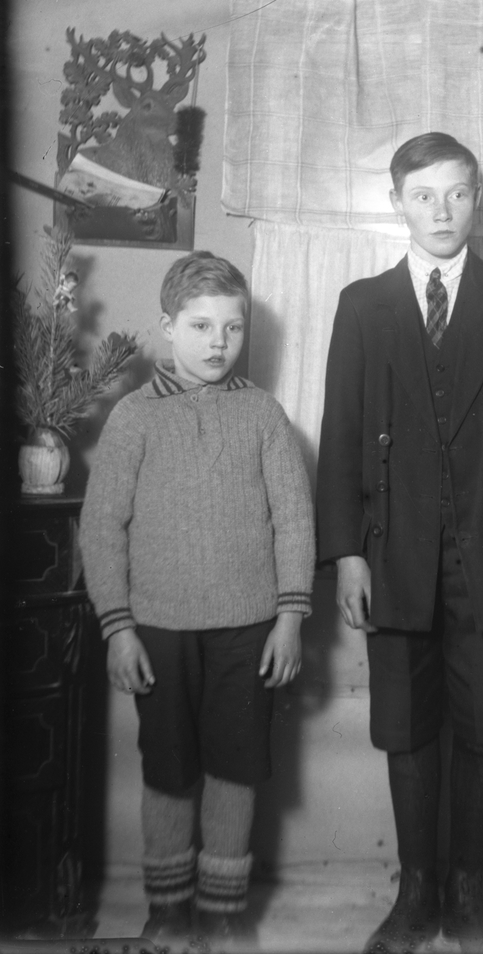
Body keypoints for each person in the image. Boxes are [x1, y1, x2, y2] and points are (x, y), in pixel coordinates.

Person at [317, 132, 483, 954]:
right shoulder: (363, 304)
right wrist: (347, 555)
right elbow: (341, 434)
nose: (441, 211)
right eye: (424, 195)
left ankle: (466, 896)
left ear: (477, 201)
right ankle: (415, 893)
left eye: (457, 194)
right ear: (396, 201)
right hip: (394, 553)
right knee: (405, 724)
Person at [81, 251, 315, 946]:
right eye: (201, 326)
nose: (218, 342)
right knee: (169, 772)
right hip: (159, 630)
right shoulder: (132, 418)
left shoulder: (264, 415)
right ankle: (167, 912)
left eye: (233, 328)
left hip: (248, 630)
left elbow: (294, 521)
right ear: (167, 327)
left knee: (235, 771)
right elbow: (101, 527)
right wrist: (118, 628)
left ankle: (222, 913)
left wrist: (290, 619)